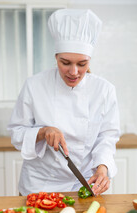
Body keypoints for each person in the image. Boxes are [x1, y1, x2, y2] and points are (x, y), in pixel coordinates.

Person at [8, 9, 120, 196]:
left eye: (82, 64)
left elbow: (107, 138)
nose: (74, 72)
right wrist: (43, 132)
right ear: (56, 57)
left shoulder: (104, 90)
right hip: (39, 185)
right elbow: (16, 133)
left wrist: (102, 168)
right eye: (65, 62)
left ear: (89, 60)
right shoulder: (34, 85)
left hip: (84, 183)